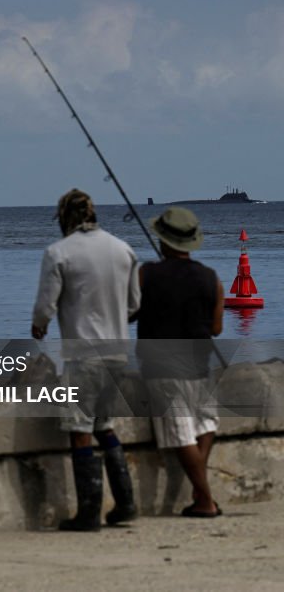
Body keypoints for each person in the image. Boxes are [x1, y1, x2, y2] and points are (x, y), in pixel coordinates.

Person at [31, 189, 140, 531]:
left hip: (82, 355)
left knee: (79, 430)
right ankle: (125, 503)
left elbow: (45, 306)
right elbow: (134, 305)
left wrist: (39, 326)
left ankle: (89, 512)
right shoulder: (123, 249)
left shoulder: (58, 252)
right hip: (118, 354)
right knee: (104, 425)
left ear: (64, 218)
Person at [137, 206, 224, 518]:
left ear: (162, 240)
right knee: (205, 425)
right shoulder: (211, 278)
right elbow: (216, 328)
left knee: (180, 435)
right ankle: (203, 497)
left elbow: (129, 311)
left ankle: (205, 500)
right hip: (200, 366)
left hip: (162, 368)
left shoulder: (146, 274)